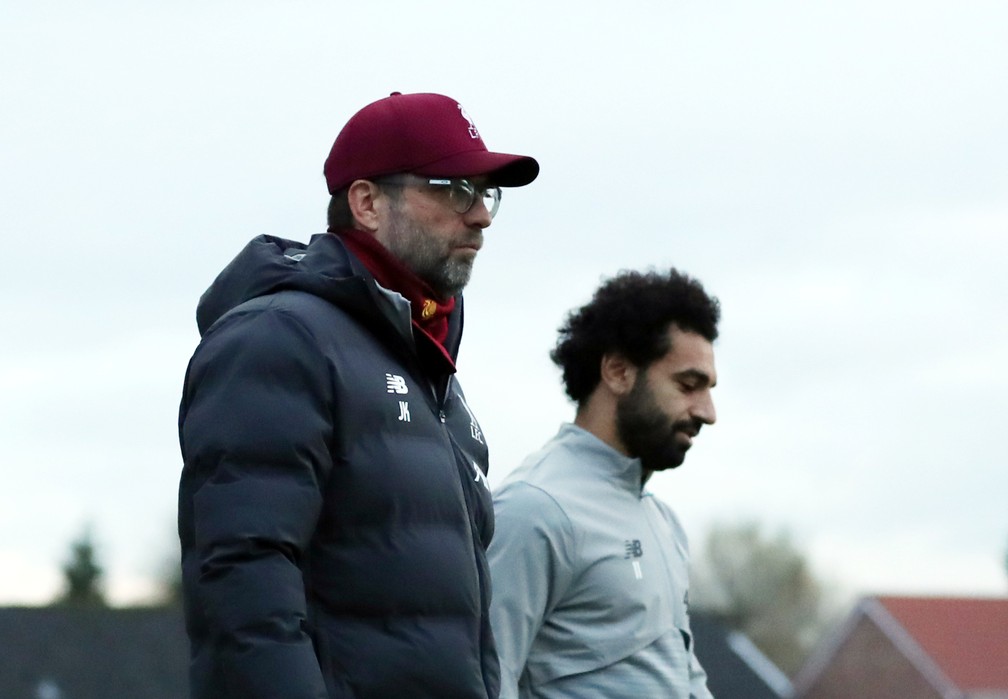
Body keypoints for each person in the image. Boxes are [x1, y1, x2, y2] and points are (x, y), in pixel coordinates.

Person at [177, 91, 539, 699]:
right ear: (367, 202)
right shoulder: (280, 339)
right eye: (454, 188)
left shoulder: (429, 367)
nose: (480, 215)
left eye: (486, 193)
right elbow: (243, 585)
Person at [487, 269, 720, 699]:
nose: (707, 412)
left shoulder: (662, 521)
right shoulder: (535, 509)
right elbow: (486, 679)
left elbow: (686, 678)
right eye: (688, 385)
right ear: (617, 371)